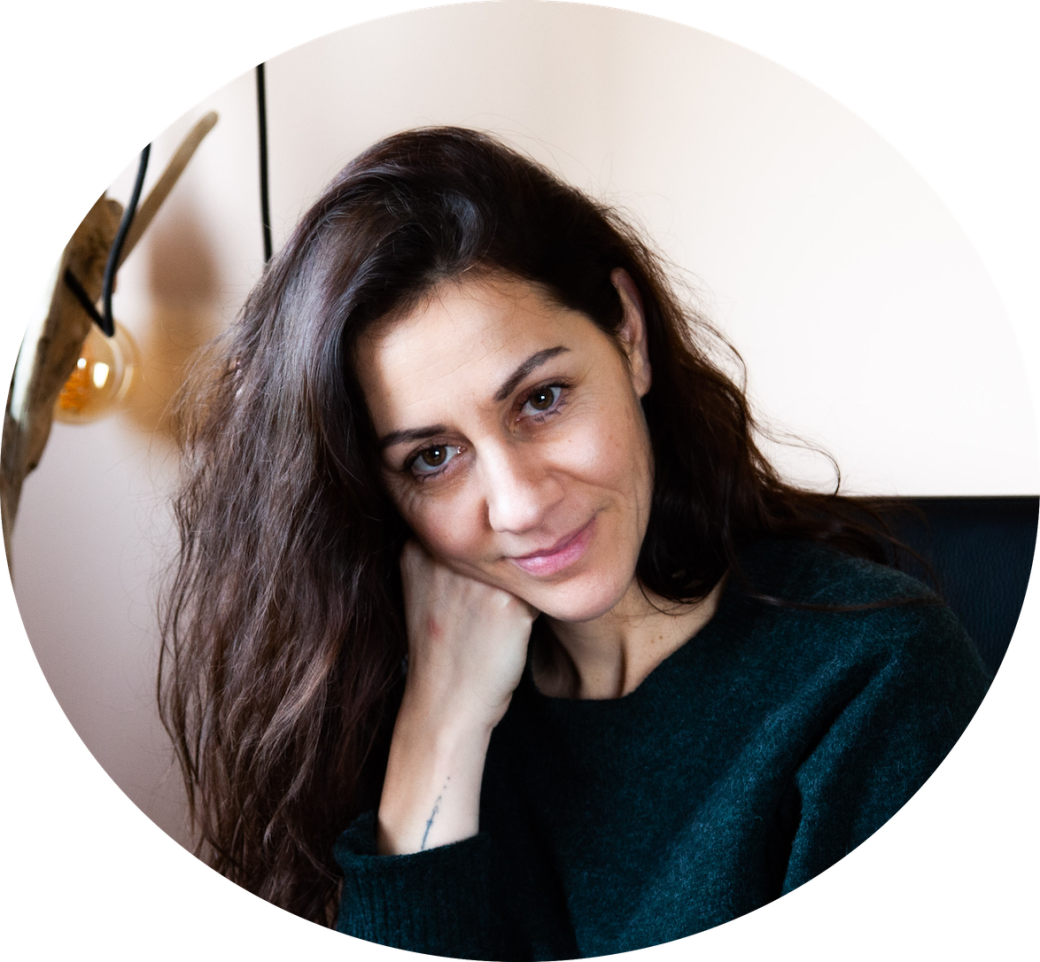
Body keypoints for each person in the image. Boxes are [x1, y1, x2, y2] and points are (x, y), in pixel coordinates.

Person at [159, 126, 992, 957]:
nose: (520, 504)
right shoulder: (372, 702)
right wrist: (440, 730)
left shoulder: (874, 685)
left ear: (628, 334)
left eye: (543, 398)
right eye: (433, 458)